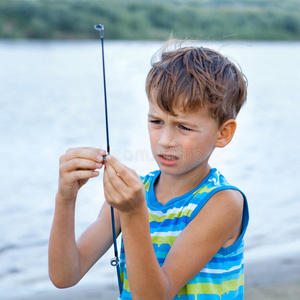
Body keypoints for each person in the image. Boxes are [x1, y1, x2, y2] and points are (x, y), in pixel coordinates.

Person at [49, 40, 249, 300]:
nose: (165, 140)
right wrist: (65, 198)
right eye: (156, 121)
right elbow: (65, 275)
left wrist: (133, 212)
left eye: (184, 127)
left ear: (223, 133)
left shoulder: (223, 203)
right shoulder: (137, 192)